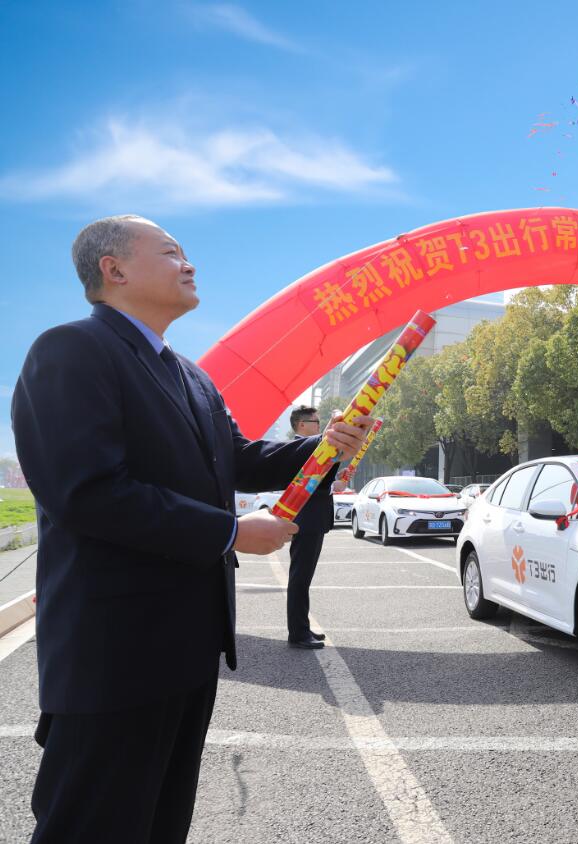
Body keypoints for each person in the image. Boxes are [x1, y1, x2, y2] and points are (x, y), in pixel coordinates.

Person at [11, 215, 371, 844]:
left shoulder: (191, 375)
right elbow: (88, 494)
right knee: (91, 826)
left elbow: (239, 460)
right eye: (171, 252)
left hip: (188, 652)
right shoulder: (71, 351)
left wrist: (325, 447)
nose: (190, 264)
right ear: (114, 270)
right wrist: (229, 533)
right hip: (114, 658)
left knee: (160, 823)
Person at [285, 405, 337, 649]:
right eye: (316, 422)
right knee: (300, 578)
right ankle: (298, 633)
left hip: (313, 520)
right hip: (305, 521)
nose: (319, 425)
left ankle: (302, 627)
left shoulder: (313, 448)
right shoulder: (299, 449)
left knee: (303, 579)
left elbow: (322, 480)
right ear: (302, 425)